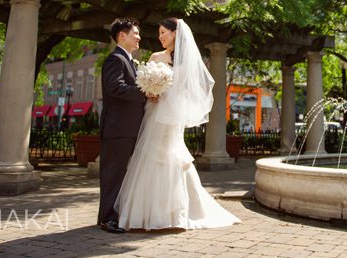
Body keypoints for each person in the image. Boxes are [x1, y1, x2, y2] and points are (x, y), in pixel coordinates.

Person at [115, 17, 240, 231]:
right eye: (159, 33)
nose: (160, 36)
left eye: (164, 32)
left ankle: (175, 213)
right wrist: (150, 90)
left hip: (171, 117)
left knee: (172, 156)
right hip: (153, 113)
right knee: (149, 156)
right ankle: (144, 214)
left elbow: (188, 91)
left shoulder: (186, 61)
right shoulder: (156, 56)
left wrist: (167, 93)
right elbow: (144, 85)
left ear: (175, 34)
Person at [98, 18, 147, 234]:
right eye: (135, 33)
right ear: (122, 36)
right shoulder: (115, 59)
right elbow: (115, 87)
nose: (138, 37)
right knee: (113, 175)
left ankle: (116, 215)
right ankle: (107, 219)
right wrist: (145, 92)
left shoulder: (129, 61)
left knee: (122, 175)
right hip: (117, 129)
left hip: (128, 129)